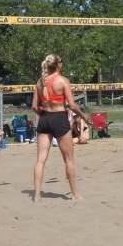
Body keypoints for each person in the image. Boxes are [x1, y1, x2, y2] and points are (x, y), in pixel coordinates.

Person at [32, 53, 89, 202]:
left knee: (40, 160)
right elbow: (72, 105)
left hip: (45, 118)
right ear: (58, 64)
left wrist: (43, 114)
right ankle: (75, 194)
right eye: (61, 61)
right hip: (59, 118)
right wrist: (83, 116)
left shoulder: (40, 82)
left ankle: (37, 195)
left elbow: (33, 106)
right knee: (69, 160)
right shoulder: (63, 81)